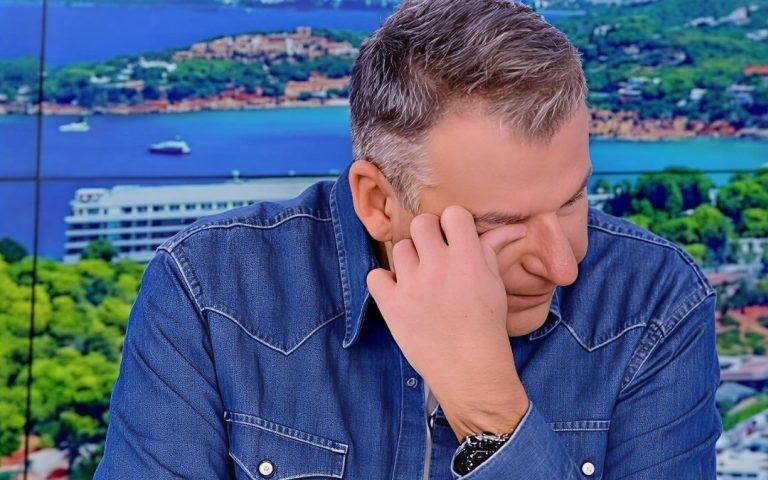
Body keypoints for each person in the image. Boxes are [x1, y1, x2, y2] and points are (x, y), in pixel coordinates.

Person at [94, 0, 721, 478]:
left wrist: (490, 410)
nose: (562, 266)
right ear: (378, 201)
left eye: (573, 199)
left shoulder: (656, 304)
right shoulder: (209, 290)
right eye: (498, 225)